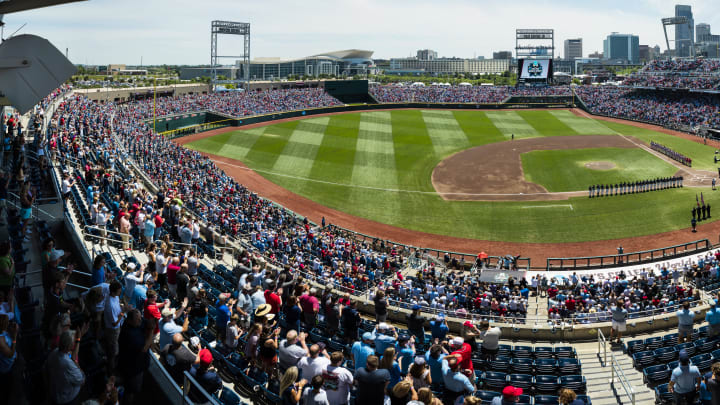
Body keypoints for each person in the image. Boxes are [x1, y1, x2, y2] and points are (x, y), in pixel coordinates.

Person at [118, 309, 154, 405]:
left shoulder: (136, 322)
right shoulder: (129, 335)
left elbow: (147, 322)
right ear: (130, 320)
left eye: (140, 318)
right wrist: (151, 332)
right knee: (131, 391)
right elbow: (145, 347)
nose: (140, 321)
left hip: (139, 365)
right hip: (133, 370)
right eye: (137, 320)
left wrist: (150, 323)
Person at [46, 327, 89, 405]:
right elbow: (82, 380)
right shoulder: (68, 364)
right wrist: (76, 362)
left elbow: (72, 354)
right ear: (70, 347)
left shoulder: (54, 352)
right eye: (74, 343)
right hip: (67, 398)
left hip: (55, 390)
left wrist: (78, 339)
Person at [0, 314, 18, 404]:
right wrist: (14, 337)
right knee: (6, 390)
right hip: (5, 370)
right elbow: (10, 354)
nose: (8, 324)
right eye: (7, 323)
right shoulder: (0, 340)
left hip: (9, 365)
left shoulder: (3, 332)